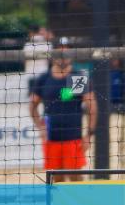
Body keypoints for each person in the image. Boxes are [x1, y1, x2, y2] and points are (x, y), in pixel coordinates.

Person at [29, 51, 97, 181]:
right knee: (56, 178)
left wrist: (89, 135)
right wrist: (40, 127)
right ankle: (60, 202)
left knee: (75, 176)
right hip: (51, 137)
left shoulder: (76, 77)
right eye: (60, 54)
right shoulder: (44, 78)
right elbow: (32, 105)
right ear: (53, 56)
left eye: (66, 54)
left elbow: (91, 108)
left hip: (73, 138)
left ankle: (78, 202)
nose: (63, 58)